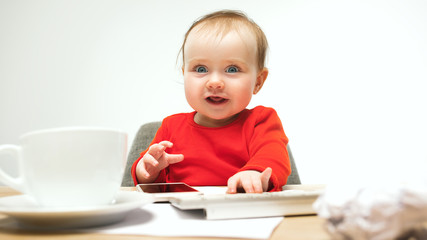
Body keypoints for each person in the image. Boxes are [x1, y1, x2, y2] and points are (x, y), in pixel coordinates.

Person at [131, 10, 291, 193]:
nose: (215, 82)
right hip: (183, 216)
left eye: (232, 69)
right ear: (184, 75)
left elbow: (274, 157)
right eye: (200, 69)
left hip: (242, 212)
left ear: (258, 82)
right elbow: (151, 183)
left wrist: (255, 172)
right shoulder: (171, 127)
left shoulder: (261, 121)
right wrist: (147, 171)